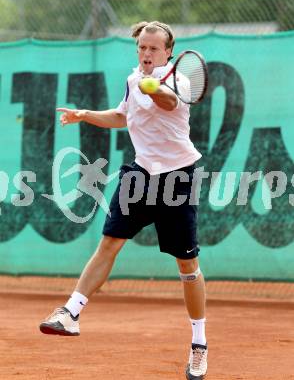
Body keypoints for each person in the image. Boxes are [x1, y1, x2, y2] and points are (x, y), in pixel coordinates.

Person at [40, 21, 207, 380]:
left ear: (168, 52)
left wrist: (152, 85)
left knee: (187, 268)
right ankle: (70, 313)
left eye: (153, 49)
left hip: (178, 177)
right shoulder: (134, 80)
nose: (146, 54)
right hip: (140, 175)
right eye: (141, 49)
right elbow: (123, 115)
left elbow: (167, 101)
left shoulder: (179, 80)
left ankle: (199, 344)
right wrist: (85, 115)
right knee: (109, 244)